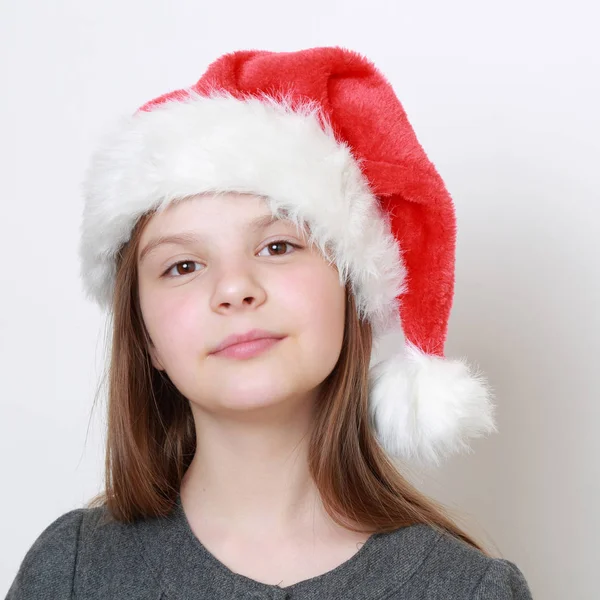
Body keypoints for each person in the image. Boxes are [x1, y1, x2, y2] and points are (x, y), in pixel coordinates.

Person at [6, 47, 533, 599]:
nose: (234, 289)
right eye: (182, 265)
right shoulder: (70, 572)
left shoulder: (469, 589)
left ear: (351, 291)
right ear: (145, 337)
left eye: (278, 246)